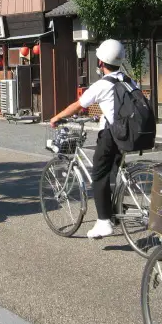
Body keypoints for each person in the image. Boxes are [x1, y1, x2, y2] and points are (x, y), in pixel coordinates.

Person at [50, 39, 129, 239]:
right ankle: (115, 211)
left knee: (99, 175)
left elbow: (78, 105)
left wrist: (58, 117)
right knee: (113, 173)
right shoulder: (128, 80)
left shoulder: (102, 84)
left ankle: (104, 222)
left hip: (111, 136)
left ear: (101, 63)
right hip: (128, 134)